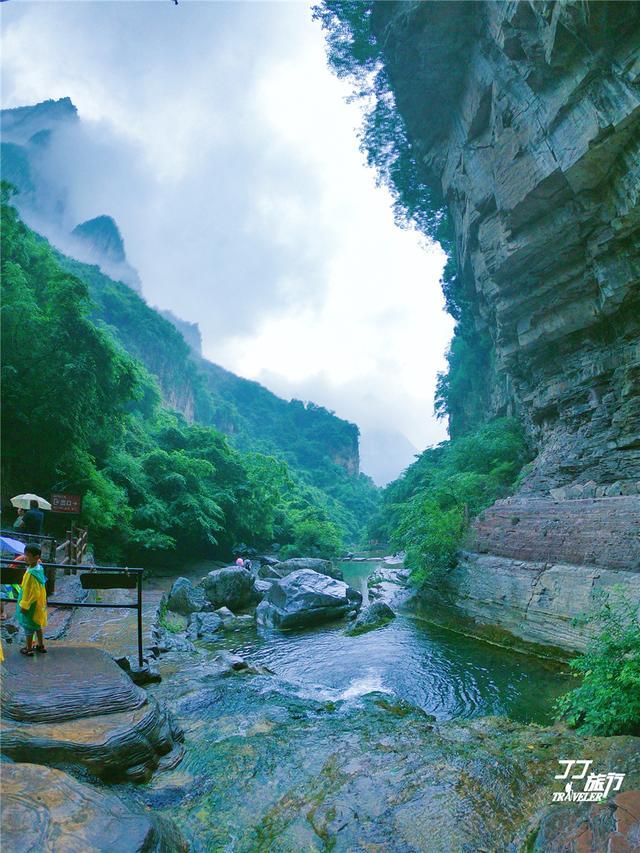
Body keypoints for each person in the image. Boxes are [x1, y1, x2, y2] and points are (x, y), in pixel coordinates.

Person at [17, 544, 48, 656]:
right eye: (25, 554)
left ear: (36, 557)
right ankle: (40, 645)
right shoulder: (39, 568)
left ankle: (29, 649)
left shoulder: (31, 574)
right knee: (37, 625)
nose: (25, 557)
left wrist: (25, 605)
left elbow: (32, 592)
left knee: (28, 626)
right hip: (39, 603)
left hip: (31, 605)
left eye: (28, 555)